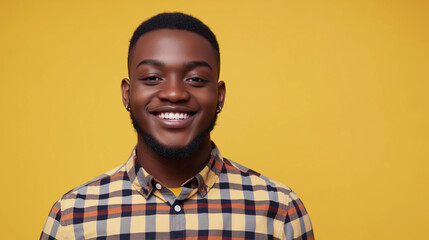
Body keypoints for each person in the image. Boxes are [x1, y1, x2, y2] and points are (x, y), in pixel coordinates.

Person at [41, 12, 314, 240]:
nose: (174, 93)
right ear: (127, 93)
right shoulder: (71, 217)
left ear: (219, 96)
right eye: (152, 78)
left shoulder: (280, 211)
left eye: (195, 79)